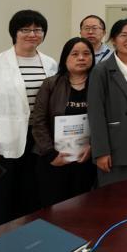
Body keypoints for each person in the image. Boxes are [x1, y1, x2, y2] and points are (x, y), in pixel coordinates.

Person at [0, 10, 57, 230]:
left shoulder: (50, 63)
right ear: (14, 33)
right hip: (5, 140)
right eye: (25, 29)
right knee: (1, 197)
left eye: (37, 30)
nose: (32, 34)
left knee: (32, 193)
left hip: (39, 138)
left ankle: (28, 237)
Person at [31, 37, 96, 207]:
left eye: (86, 54)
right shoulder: (51, 84)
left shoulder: (99, 84)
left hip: (86, 159)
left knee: (83, 207)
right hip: (54, 159)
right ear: (65, 58)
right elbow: (38, 121)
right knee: (54, 209)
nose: (81, 58)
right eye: (75, 54)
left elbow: (105, 121)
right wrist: (51, 154)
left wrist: (93, 147)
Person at [88, 19, 127, 187]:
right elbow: (96, 114)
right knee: (115, 196)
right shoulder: (101, 70)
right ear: (113, 40)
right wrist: (101, 152)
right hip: (116, 145)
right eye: (123, 35)